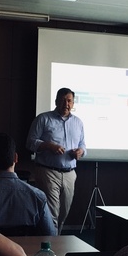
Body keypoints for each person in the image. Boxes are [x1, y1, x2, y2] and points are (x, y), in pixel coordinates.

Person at [26, 87, 86, 233]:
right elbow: (30, 142)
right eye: (63, 100)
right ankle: (51, 243)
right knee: (52, 213)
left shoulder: (78, 122)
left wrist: (80, 151)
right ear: (56, 101)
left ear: (73, 103)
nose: (66, 104)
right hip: (48, 172)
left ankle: (54, 238)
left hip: (70, 173)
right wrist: (48, 146)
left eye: (69, 101)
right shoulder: (43, 119)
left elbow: (83, 145)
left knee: (63, 212)